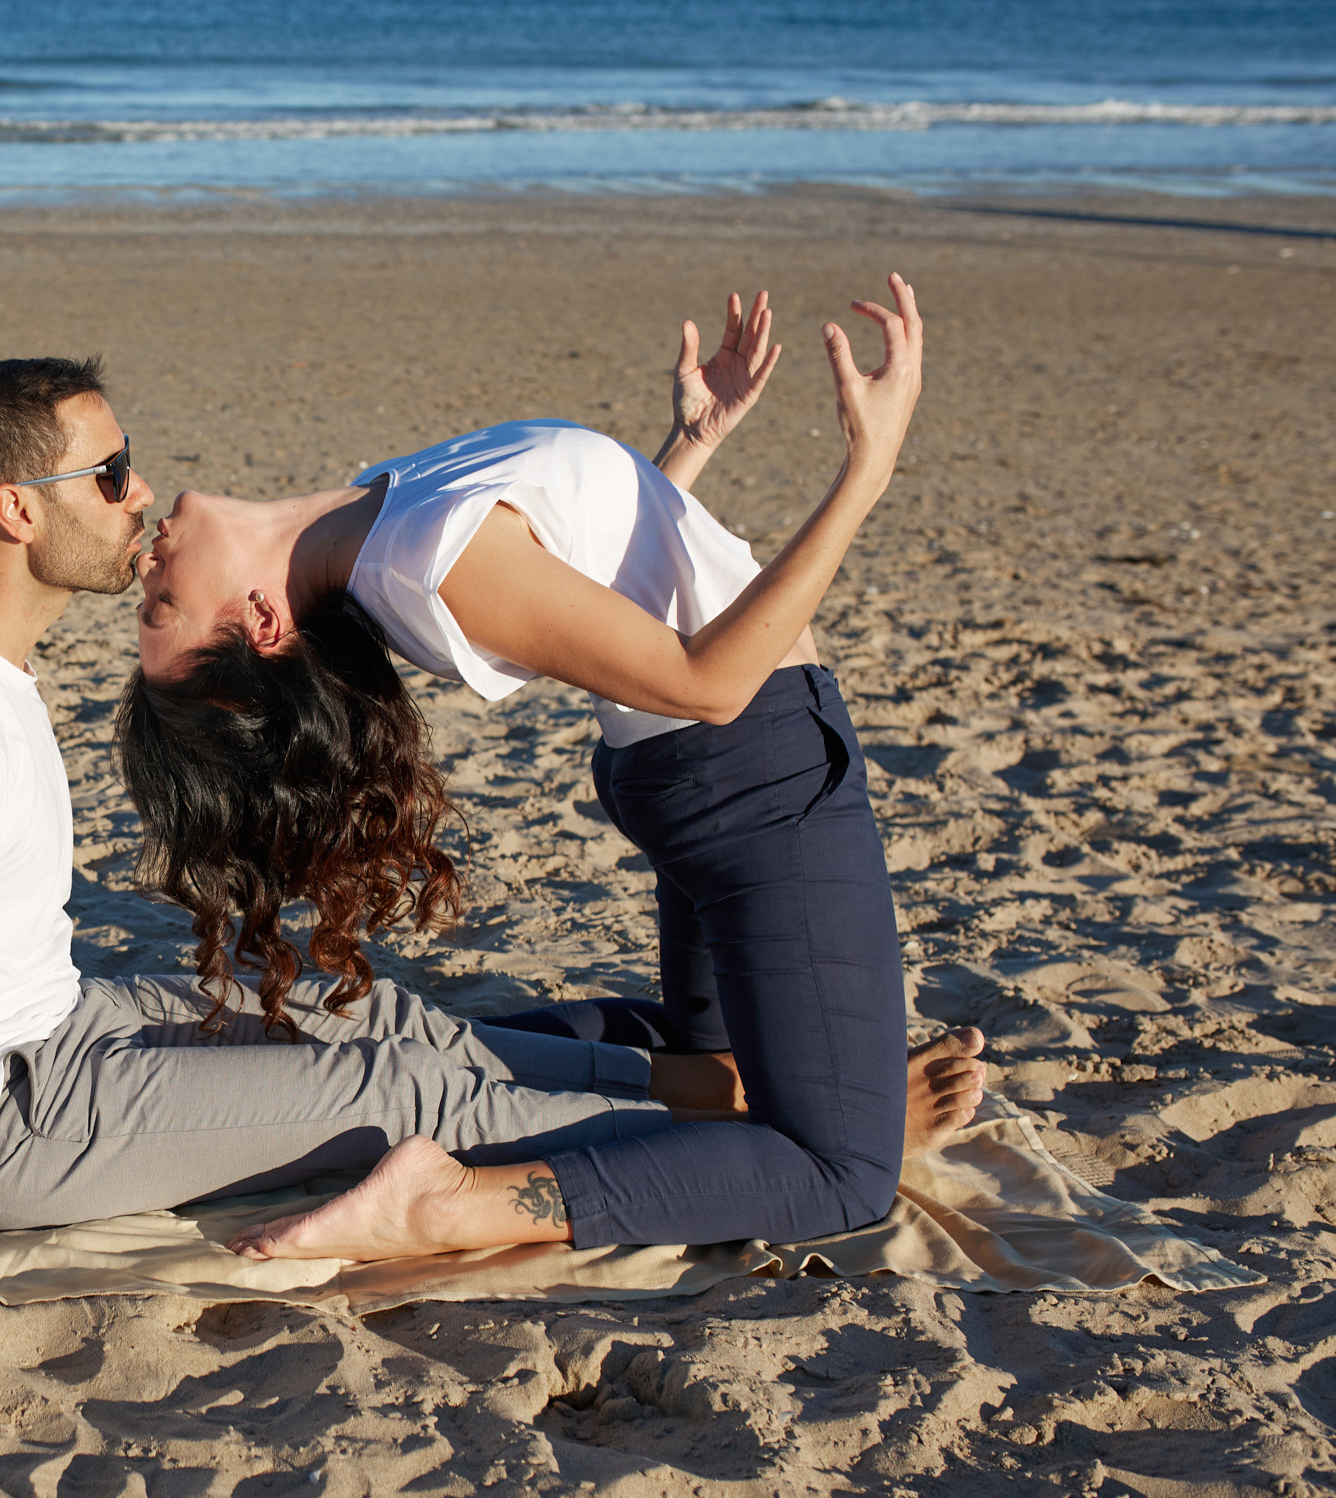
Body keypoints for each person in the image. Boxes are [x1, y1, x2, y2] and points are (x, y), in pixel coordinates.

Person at [0, 356, 885, 1327]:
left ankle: (702, 1096)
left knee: (396, 1026)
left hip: (59, 1033)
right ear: (19, 509)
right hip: (4, 1128)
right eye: (109, 474)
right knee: (408, 1094)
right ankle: (715, 1138)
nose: (139, 504)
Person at [120, 277, 986, 1265]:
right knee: (842, 1173)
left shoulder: (379, 524)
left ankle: (466, 1079)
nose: (144, 571)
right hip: (757, 783)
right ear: (261, 627)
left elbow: (596, 595)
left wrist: (687, 450)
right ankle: (446, 1204)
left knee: (717, 1069)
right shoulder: (418, 555)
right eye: (158, 611)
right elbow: (708, 680)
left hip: (710, 782)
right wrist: (868, 467)